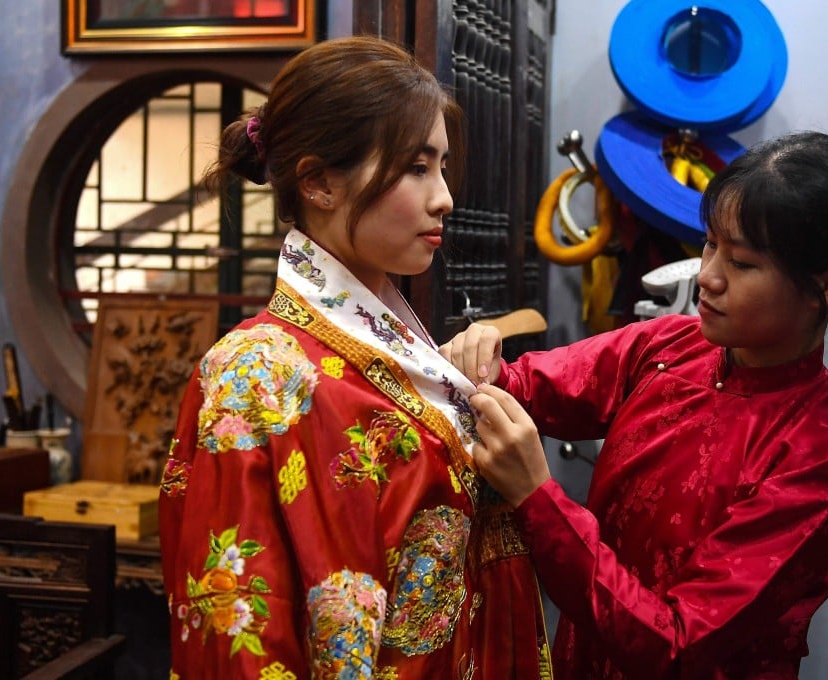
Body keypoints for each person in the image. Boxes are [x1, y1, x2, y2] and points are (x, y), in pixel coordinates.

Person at [440, 131, 828, 678]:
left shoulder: (819, 460)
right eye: (710, 244)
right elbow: (529, 384)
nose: (707, 276)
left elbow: (677, 643)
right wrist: (482, 364)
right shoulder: (672, 346)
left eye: (742, 263)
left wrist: (537, 498)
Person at [158, 35, 552, 679]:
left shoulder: (406, 346)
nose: (444, 197)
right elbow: (238, 627)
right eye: (416, 168)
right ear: (318, 183)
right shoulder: (258, 374)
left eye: (443, 167)